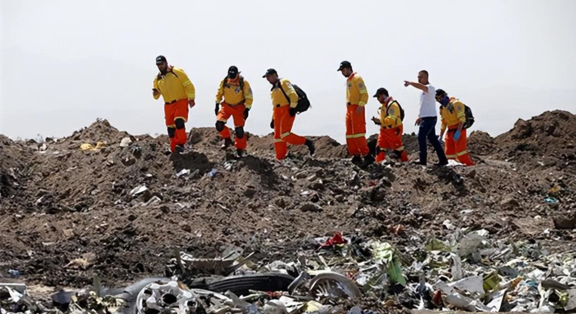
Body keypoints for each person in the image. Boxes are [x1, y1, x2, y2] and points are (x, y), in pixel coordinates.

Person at [263, 68, 315, 160]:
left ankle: (307, 142)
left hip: (286, 110)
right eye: (266, 77)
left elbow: (293, 95)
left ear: (275, 75)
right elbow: (275, 105)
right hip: (278, 112)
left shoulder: (283, 82)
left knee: (285, 134)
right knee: (277, 137)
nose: (267, 79)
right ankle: (280, 157)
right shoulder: (274, 88)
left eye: (269, 76)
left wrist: (292, 108)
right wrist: (273, 118)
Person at [152, 55, 196, 153]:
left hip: (180, 101)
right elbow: (156, 96)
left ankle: (181, 144)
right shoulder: (158, 78)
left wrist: (191, 98)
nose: (160, 66)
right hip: (168, 105)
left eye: (161, 64)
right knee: (170, 128)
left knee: (179, 122)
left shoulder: (177, 72)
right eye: (158, 65)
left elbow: (189, 85)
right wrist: (155, 93)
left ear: (166, 63)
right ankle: (174, 148)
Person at [404, 70, 448, 166]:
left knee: (421, 136)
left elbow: (422, 87)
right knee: (432, 139)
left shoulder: (430, 88)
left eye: (421, 77)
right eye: (418, 77)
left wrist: (411, 83)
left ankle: (423, 160)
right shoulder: (422, 92)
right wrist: (420, 117)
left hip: (430, 118)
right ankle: (443, 160)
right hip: (426, 118)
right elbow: (424, 105)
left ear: (426, 77)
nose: (419, 79)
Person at [337, 61, 374, 167]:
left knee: (358, 132)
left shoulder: (357, 78)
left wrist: (360, 105)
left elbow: (364, 93)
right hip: (349, 108)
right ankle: (356, 155)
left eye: (343, 70)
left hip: (356, 107)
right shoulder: (350, 80)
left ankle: (367, 156)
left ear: (349, 68)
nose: (343, 73)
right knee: (349, 133)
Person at [215, 66, 253, 158]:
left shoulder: (243, 83)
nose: (231, 78)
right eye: (230, 76)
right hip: (226, 106)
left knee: (239, 130)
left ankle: (240, 149)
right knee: (219, 124)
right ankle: (227, 138)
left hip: (239, 107)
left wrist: (247, 109)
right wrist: (216, 103)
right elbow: (219, 92)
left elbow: (249, 96)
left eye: (233, 76)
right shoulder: (225, 81)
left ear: (237, 74)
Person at [436, 89, 475, 166]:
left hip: (459, 129)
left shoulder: (456, 104)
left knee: (461, 152)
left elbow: (462, 119)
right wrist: (441, 135)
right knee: (448, 153)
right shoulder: (442, 108)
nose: (439, 100)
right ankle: (453, 166)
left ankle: (469, 166)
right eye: (437, 99)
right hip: (450, 130)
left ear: (444, 95)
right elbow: (443, 123)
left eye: (440, 98)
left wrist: (458, 132)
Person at [371, 88, 409, 163]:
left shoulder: (392, 105)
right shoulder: (384, 105)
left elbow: (391, 119)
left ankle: (405, 162)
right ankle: (379, 162)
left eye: (378, 97)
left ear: (383, 95)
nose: (378, 99)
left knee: (398, 148)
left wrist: (380, 121)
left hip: (393, 130)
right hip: (384, 130)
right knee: (380, 148)